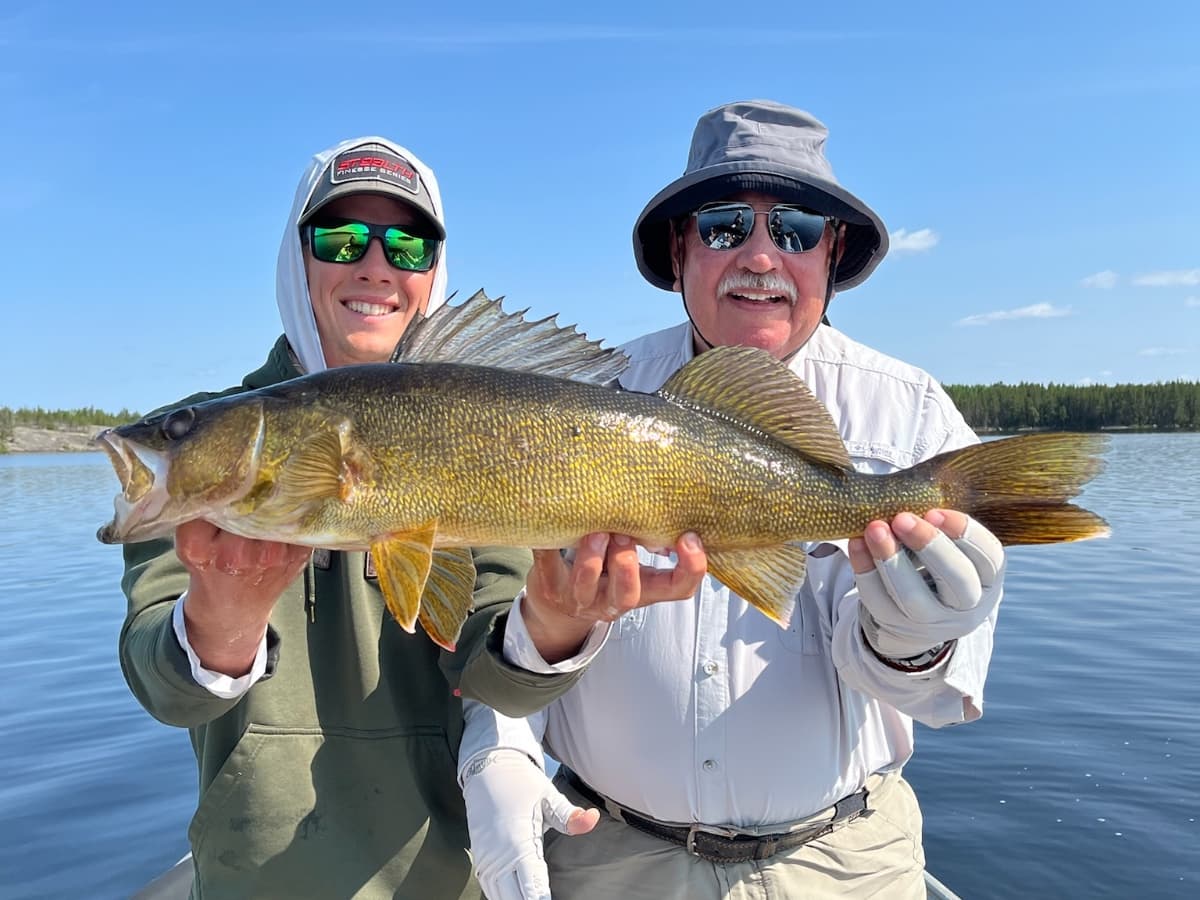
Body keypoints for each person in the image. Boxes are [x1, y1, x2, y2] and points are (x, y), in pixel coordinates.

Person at [457, 100, 1006, 899]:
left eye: (795, 230)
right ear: (680, 248)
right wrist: (500, 749)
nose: (758, 257)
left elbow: (934, 699)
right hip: (609, 851)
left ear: (834, 250)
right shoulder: (578, 400)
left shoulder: (914, 416)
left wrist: (915, 643)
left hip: (843, 859)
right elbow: (506, 617)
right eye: (721, 227)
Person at [116, 137, 603, 900]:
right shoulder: (199, 476)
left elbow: (490, 666)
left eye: (408, 245)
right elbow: (163, 685)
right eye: (341, 239)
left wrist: (558, 621)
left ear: (433, 270)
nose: (375, 265)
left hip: (446, 878)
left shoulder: (488, 428)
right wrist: (220, 626)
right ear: (296, 259)